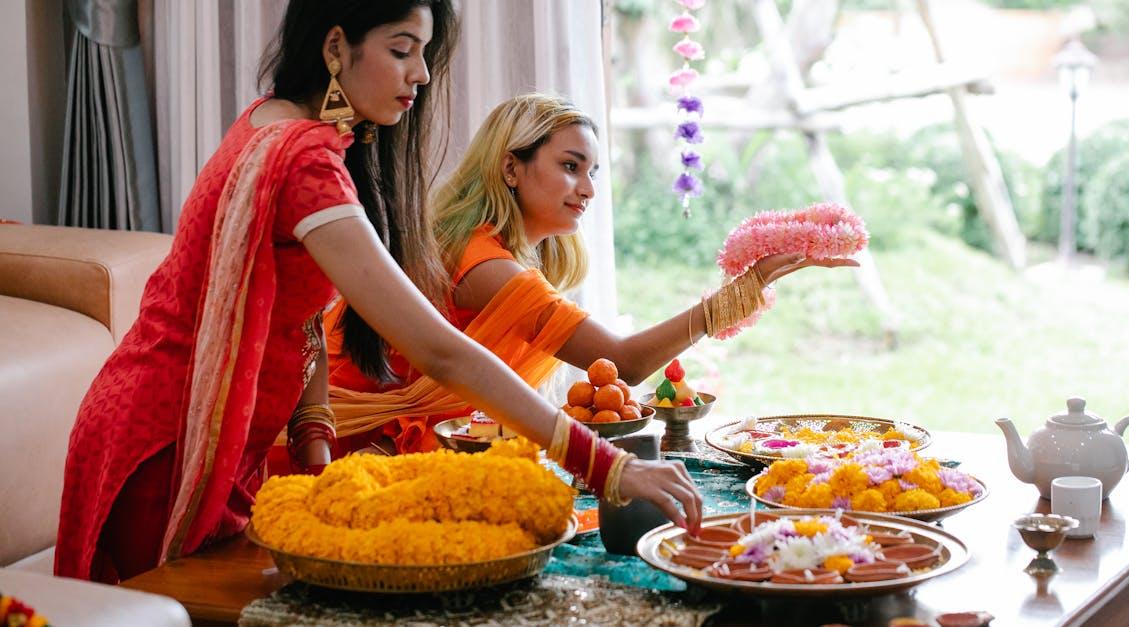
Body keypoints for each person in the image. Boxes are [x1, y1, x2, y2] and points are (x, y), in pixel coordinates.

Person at [55, 2, 700, 584]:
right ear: (335, 48)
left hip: (181, 426)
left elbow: (297, 309)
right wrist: (609, 466)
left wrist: (313, 442)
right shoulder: (303, 160)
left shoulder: (276, 126)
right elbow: (439, 352)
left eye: (424, 53)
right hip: (163, 442)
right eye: (401, 49)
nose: (420, 74)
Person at [324, 93, 858, 455]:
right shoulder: (483, 264)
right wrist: (743, 292)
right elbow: (619, 363)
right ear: (511, 167)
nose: (587, 188)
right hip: (363, 451)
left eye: (592, 171)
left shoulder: (488, 248)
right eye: (570, 165)